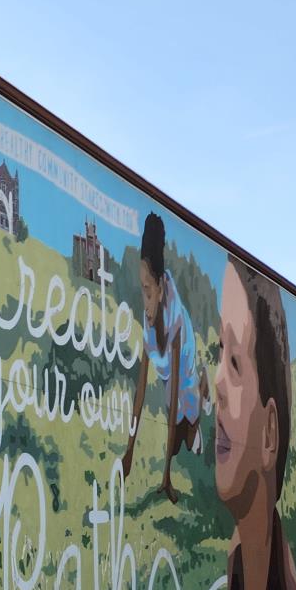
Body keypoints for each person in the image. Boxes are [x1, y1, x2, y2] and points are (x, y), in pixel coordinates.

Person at [216, 258, 296, 590]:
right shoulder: (236, 568)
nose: (217, 381)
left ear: (270, 435)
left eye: (234, 363)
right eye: (217, 354)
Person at [122, 211, 208, 502]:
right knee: (176, 443)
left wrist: (166, 475)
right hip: (168, 378)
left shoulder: (175, 321)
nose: (144, 301)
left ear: (159, 288)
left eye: (147, 291)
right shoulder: (148, 321)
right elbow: (140, 392)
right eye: (141, 290)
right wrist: (128, 453)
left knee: (187, 435)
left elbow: (171, 412)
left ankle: (204, 391)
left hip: (184, 381)